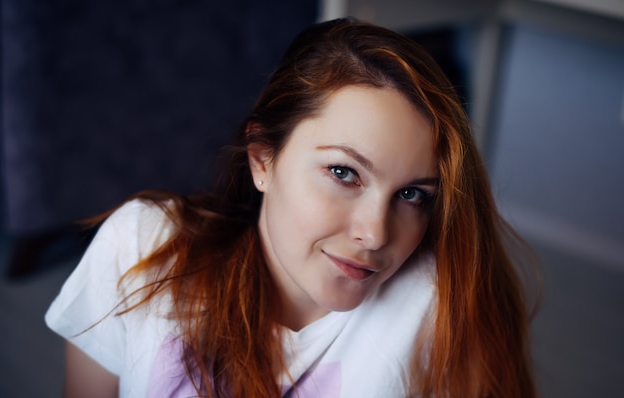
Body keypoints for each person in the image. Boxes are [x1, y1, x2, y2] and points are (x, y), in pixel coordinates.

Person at [45, 18, 537, 398]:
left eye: (412, 195)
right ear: (264, 160)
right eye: (344, 173)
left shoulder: (438, 309)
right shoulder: (143, 246)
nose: (375, 234)